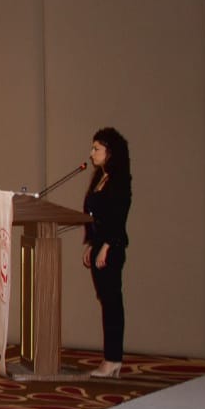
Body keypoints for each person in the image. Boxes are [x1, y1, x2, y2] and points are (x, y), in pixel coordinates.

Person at [82, 127, 132, 378]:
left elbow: (118, 217)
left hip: (112, 248)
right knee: (106, 300)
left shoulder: (119, 181)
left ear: (110, 152)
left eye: (97, 149)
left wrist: (106, 247)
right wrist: (91, 243)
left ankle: (113, 359)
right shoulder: (99, 179)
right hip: (100, 246)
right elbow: (95, 218)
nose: (92, 154)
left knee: (112, 302)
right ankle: (111, 359)